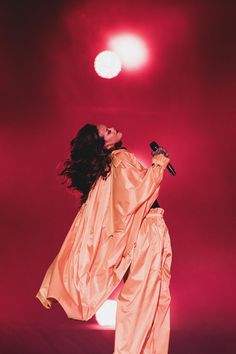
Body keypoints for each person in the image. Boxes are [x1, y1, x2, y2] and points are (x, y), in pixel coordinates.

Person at [36, 123, 172, 354]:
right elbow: (140, 193)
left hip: (148, 231)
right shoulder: (119, 159)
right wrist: (158, 162)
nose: (112, 127)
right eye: (106, 132)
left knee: (151, 304)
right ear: (104, 146)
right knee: (144, 306)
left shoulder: (110, 167)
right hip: (147, 233)